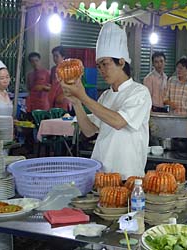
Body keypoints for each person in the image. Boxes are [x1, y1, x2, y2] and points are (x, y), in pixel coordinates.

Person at [60, 22, 152, 179]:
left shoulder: (139, 92)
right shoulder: (105, 96)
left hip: (127, 175)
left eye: (105, 64)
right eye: (98, 66)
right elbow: (89, 131)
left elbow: (118, 122)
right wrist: (77, 103)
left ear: (121, 62)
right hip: (101, 172)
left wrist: (83, 96)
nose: (102, 70)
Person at [48, 46, 70, 110]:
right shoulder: (53, 69)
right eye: (53, 56)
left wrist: (63, 95)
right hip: (52, 99)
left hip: (63, 100)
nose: (54, 58)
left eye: (57, 56)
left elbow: (73, 86)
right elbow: (52, 83)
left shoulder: (68, 69)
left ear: (63, 57)